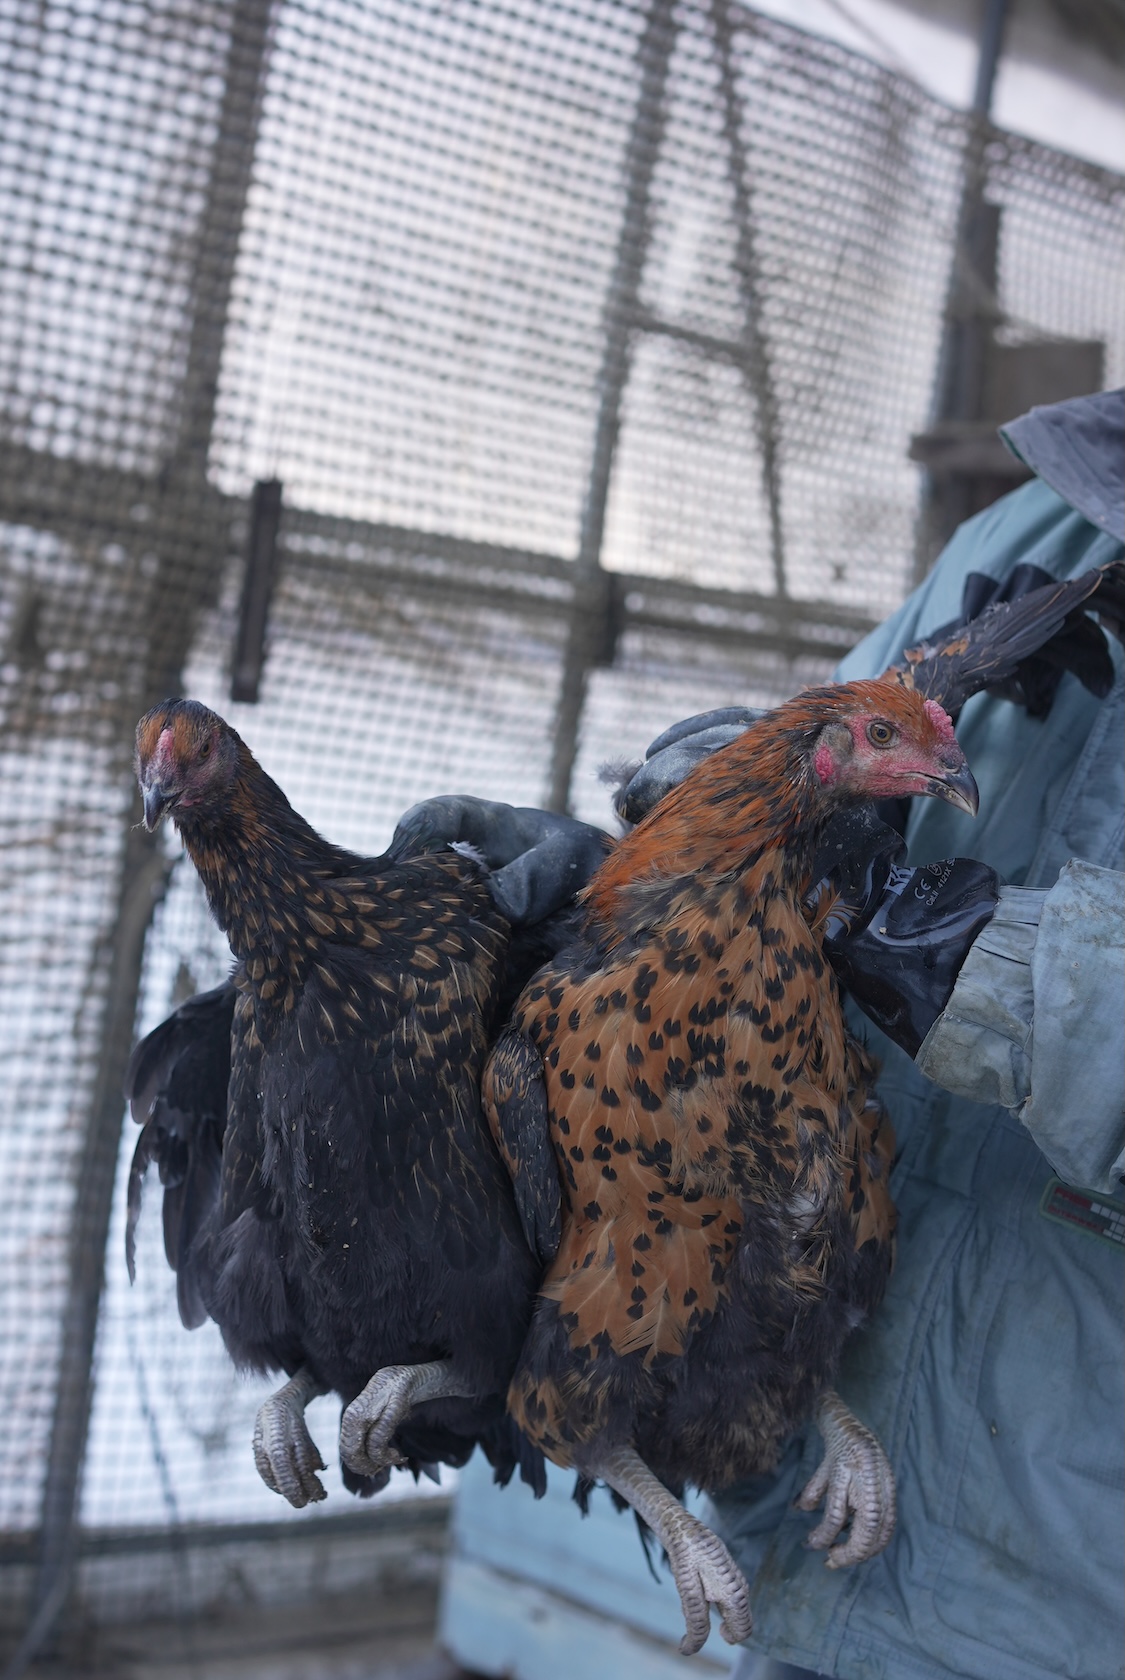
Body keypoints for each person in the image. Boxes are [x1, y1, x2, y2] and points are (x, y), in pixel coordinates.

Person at [395, 388, 1124, 1680]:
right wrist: (645, 882)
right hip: (815, 1544)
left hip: (1058, 1600)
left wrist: (993, 974)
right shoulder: (1056, 519)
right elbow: (822, 739)